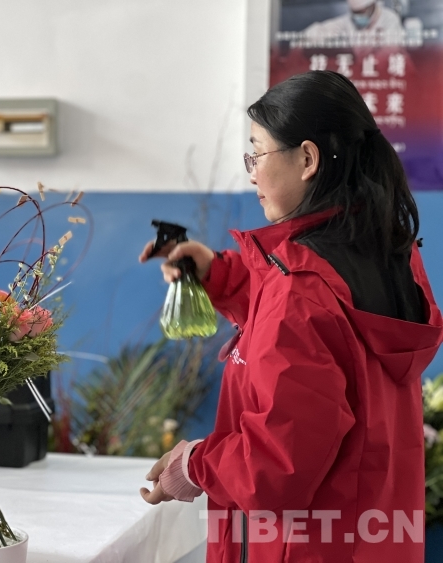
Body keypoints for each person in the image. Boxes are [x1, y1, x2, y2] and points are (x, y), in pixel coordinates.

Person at [138, 70, 443, 562]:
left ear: (307, 159)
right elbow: (319, 324)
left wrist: (194, 464)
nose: (251, 173)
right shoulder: (392, 253)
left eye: (257, 154)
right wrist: (219, 273)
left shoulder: (300, 290)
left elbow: (274, 467)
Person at [303, 0, 403, 40]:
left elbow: (391, 50)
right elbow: (320, 31)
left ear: (371, 5)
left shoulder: (389, 18)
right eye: (355, 12)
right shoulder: (349, 21)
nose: (358, 16)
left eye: (361, 12)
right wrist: (305, 38)